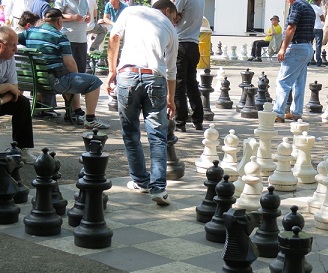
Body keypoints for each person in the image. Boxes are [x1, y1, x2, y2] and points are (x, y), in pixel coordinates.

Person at [107, 0, 178, 205]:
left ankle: (140, 181)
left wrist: (112, 71)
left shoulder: (131, 11)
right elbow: (171, 70)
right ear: (167, 11)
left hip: (127, 75)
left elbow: (114, 37)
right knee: (158, 136)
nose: (173, 22)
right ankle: (158, 188)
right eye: (173, 17)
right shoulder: (171, 30)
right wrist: (171, 99)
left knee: (130, 132)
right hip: (155, 78)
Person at [18, 8, 110, 129]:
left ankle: (77, 113)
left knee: (67, 75)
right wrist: (75, 76)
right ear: (59, 22)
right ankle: (90, 119)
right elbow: (70, 63)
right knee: (94, 81)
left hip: (33, 81)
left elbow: (13, 39)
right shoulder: (60, 37)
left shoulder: (29, 32)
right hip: (53, 82)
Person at [272, 0, 315, 123]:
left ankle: (278, 112)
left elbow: (291, 27)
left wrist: (283, 48)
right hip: (307, 47)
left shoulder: (296, 6)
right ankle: (296, 112)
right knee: (299, 82)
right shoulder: (308, 6)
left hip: (296, 47)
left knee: (283, 81)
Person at [0, 26, 36, 164]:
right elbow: (11, 87)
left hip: (1, 99)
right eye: (12, 45)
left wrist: (2, 101)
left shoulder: (9, 59)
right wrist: (7, 86)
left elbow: (15, 89)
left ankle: (21, 149)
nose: (16, 49)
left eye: (17, 44)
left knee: (22, 103)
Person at [172, 0, 205, 132]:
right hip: (194, 44)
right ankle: (198, 120)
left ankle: (180, 122)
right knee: (192, 83)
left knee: (179, 84)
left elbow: (173, 15)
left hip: (181, 42)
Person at [54, 0, 90, 73]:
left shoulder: (85, 1)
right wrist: (72, 17)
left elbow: (87, 12)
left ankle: (80, 84)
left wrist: (88, 16)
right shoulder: (61, 1)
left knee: (81, 69)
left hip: (82, 38)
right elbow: (56, 16)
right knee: (68, 69)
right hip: (68, 39)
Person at [311, 0, 325, 67]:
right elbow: (323, 18)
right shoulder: (318, 8)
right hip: (318, 28)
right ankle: (318, 61)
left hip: (310, 28)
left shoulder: (309, 7)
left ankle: (310, 59)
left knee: (309, 44)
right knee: (318, 45)